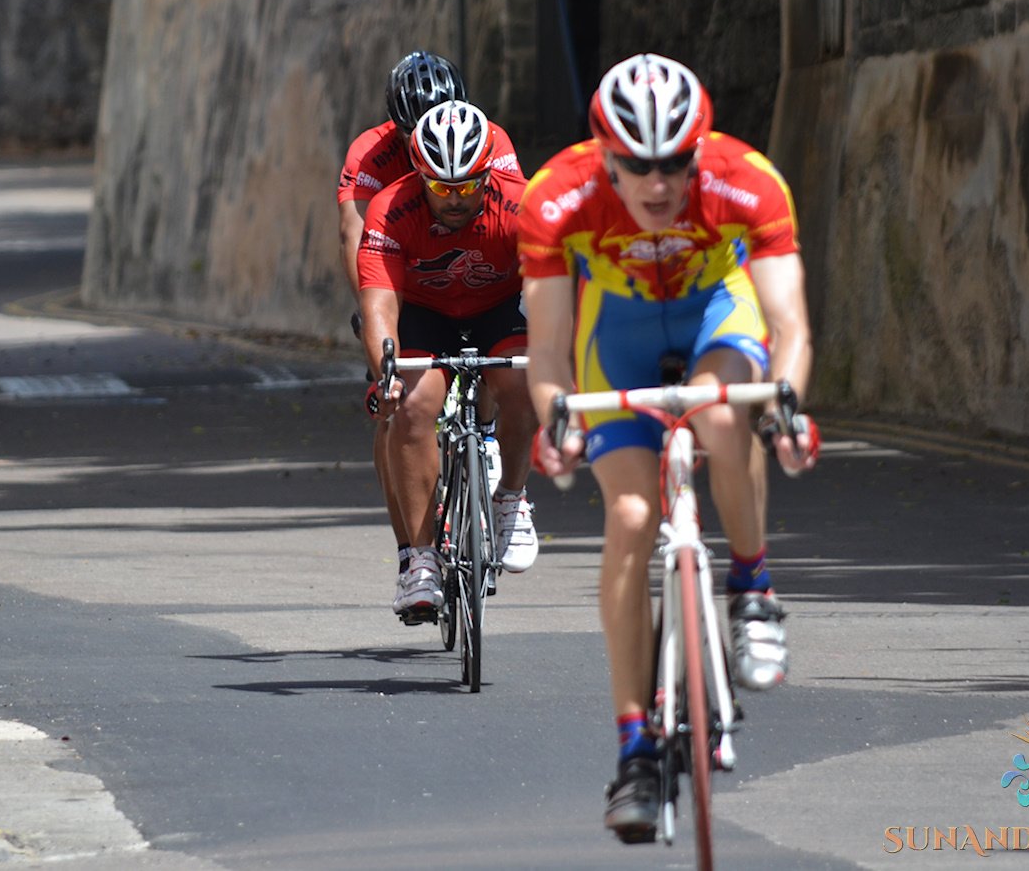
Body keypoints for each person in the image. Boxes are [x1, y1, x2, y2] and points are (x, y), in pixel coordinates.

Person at [519, 53, 819, 842]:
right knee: (628, 513)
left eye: (675, 163)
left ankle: (753, 589)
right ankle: (636, 754)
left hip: (715, 312)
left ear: (700, 149)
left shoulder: (746, 181)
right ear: (603, 158)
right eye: (637, 166)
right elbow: (547, 348)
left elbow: (789, 327)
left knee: (724, 419)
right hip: (613, 330)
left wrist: (785, 410)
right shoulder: (556, 198)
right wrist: (558, 421)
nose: (658, 183)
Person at [336, 51, 521, 601]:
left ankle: (486, 435)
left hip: (482, 287)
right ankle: (411, 552)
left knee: (512, 369)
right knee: (399, 410)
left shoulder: (491, 142)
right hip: (407, 274)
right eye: (413, 127)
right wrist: (376, 319)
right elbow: (357, 235)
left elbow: (512, 224)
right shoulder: (373, 156)